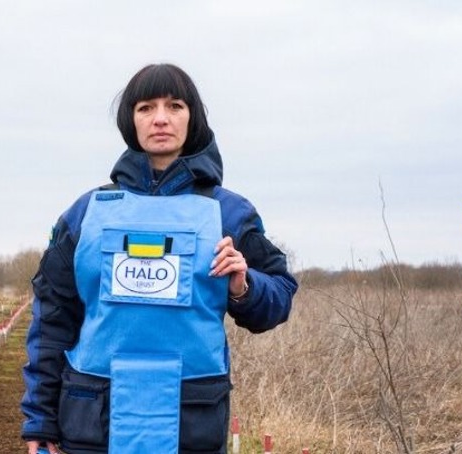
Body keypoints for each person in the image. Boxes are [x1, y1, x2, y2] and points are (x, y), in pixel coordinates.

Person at [20, 63, 297, 454]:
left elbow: (280, 296)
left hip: (191, 423)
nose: (161, 119)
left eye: (175, 106)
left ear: (192, 117)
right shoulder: (87, 213)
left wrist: (245, 285)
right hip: (91, 423)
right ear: (130, 120)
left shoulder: (229, 213)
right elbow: (52, 319)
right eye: (146, 107)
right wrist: (40, 417)